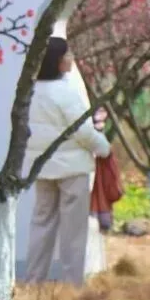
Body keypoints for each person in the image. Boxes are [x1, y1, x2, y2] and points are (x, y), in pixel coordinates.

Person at [24, 36, 111, 285]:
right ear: (59, 62)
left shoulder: (30, 92)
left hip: (42, 168)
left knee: (41, 225)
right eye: (68, 55)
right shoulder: (66, 91)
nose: (71, 59)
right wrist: (104, 148)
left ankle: (34, 281)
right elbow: (83, 131)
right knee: (73, 231)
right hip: (72, 170)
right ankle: (72, 285)